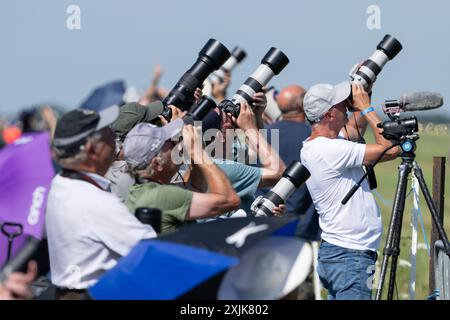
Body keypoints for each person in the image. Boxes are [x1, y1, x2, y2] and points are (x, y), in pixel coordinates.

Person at [301, 81, 401, 300]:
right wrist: (366, 107)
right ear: (328, 114)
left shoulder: (316, 146)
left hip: (338, 252)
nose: (346, 106)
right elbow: (391, 148)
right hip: (350, 255)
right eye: (341, 104)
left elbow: (356, 129)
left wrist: (366, 90)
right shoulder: (331, 149)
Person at [46, 105, 157, 299]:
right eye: (108, 132)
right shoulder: (93, 200)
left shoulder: (58, 185)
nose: (115, 137)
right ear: (92, 149)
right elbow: (150, 251)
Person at [123, 120, 241, 233]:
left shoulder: (138, 192)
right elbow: (230, 200)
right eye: (171, 142)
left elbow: (196, 188)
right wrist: (199, 154)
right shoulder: (160, 196)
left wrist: (197, 150)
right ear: (157, 163)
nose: (178, 143)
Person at [261, 84, 320, 241]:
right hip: (304, 226)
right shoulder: (313, 136)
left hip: (265, 221)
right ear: (302, 104)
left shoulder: (264, 135)